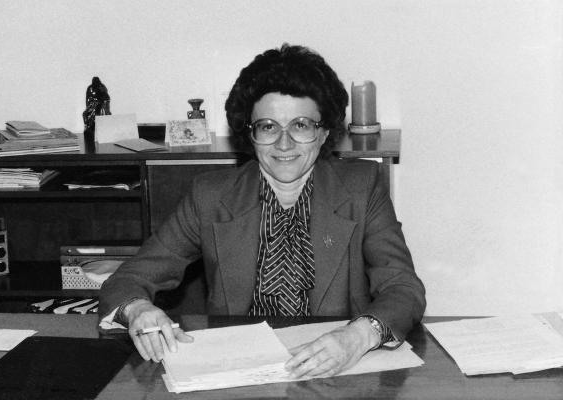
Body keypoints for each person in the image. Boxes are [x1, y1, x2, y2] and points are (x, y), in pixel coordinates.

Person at [99, 44, 425, 378]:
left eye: (301, 125)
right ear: (250, 134)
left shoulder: (362, 186)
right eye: (268, 126)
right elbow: (128, 279)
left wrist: (358, 336)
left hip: (334, 369)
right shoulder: (210, 195)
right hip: (239, 368)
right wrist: (137, 309)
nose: (284, 144)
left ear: (324, 132)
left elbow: (403, 288)